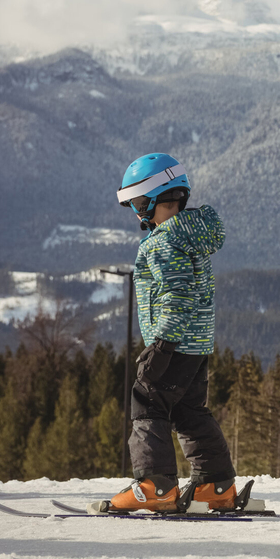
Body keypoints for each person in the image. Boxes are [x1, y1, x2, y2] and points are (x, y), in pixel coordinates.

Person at [103, 152, 236, 513]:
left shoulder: (164, 241)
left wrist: (161, 345)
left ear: (155, 199)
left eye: (137, 204)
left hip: (174, 343)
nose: (137, 213)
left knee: (147, 401)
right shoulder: (190, 234)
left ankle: (156, 485)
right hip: (196, 343)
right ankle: (215, 485)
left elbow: (178, 295)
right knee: (189, 411)